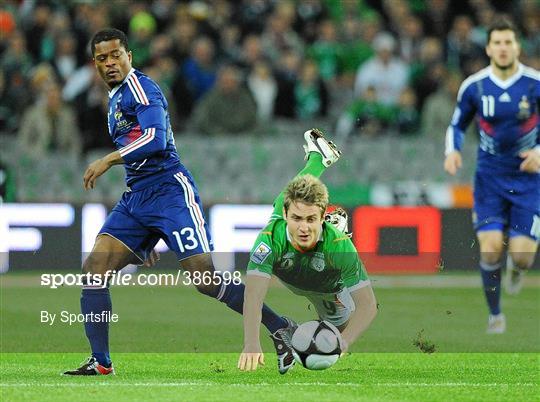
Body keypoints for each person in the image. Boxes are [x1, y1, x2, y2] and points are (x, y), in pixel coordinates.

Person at [63, 28, 289, 375]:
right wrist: (147, 235)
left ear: (129, 56)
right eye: (101, 58)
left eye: (115, 55)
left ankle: (280, 327)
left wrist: (107, 159)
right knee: (94, 269)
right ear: (94, 63)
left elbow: (154, 140)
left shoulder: (142, 89)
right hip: (137, 198)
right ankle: (101, 362)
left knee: (206, 280)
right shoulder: (115, 97)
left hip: (170, 191)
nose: (109, 63)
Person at [238, 129, 378, 373]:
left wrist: (344, 342)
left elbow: (368, 306)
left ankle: (318, 158)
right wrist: (251, 342)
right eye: (296, 219)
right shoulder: (269, 239)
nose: (303, 228)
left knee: (338, 330)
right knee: (285, 198)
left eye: (311, 219)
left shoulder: (340, 246)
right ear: (285, 216)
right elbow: (253, 296)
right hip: (294, 268)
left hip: (327, 288)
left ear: (322, 217)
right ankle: (318, 157)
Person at [444, 19, 539, 334]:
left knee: (523, 257)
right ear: (488, 48)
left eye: (508, 42)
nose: (502, 48)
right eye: (497, 42)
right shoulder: (474, 86)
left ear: (517, 47)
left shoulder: (534, 84)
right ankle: (495, 315)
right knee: (490, 247)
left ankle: (517, 270)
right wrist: (452, 152)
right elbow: (457, 124)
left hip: (529, 180)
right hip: (489, 178)